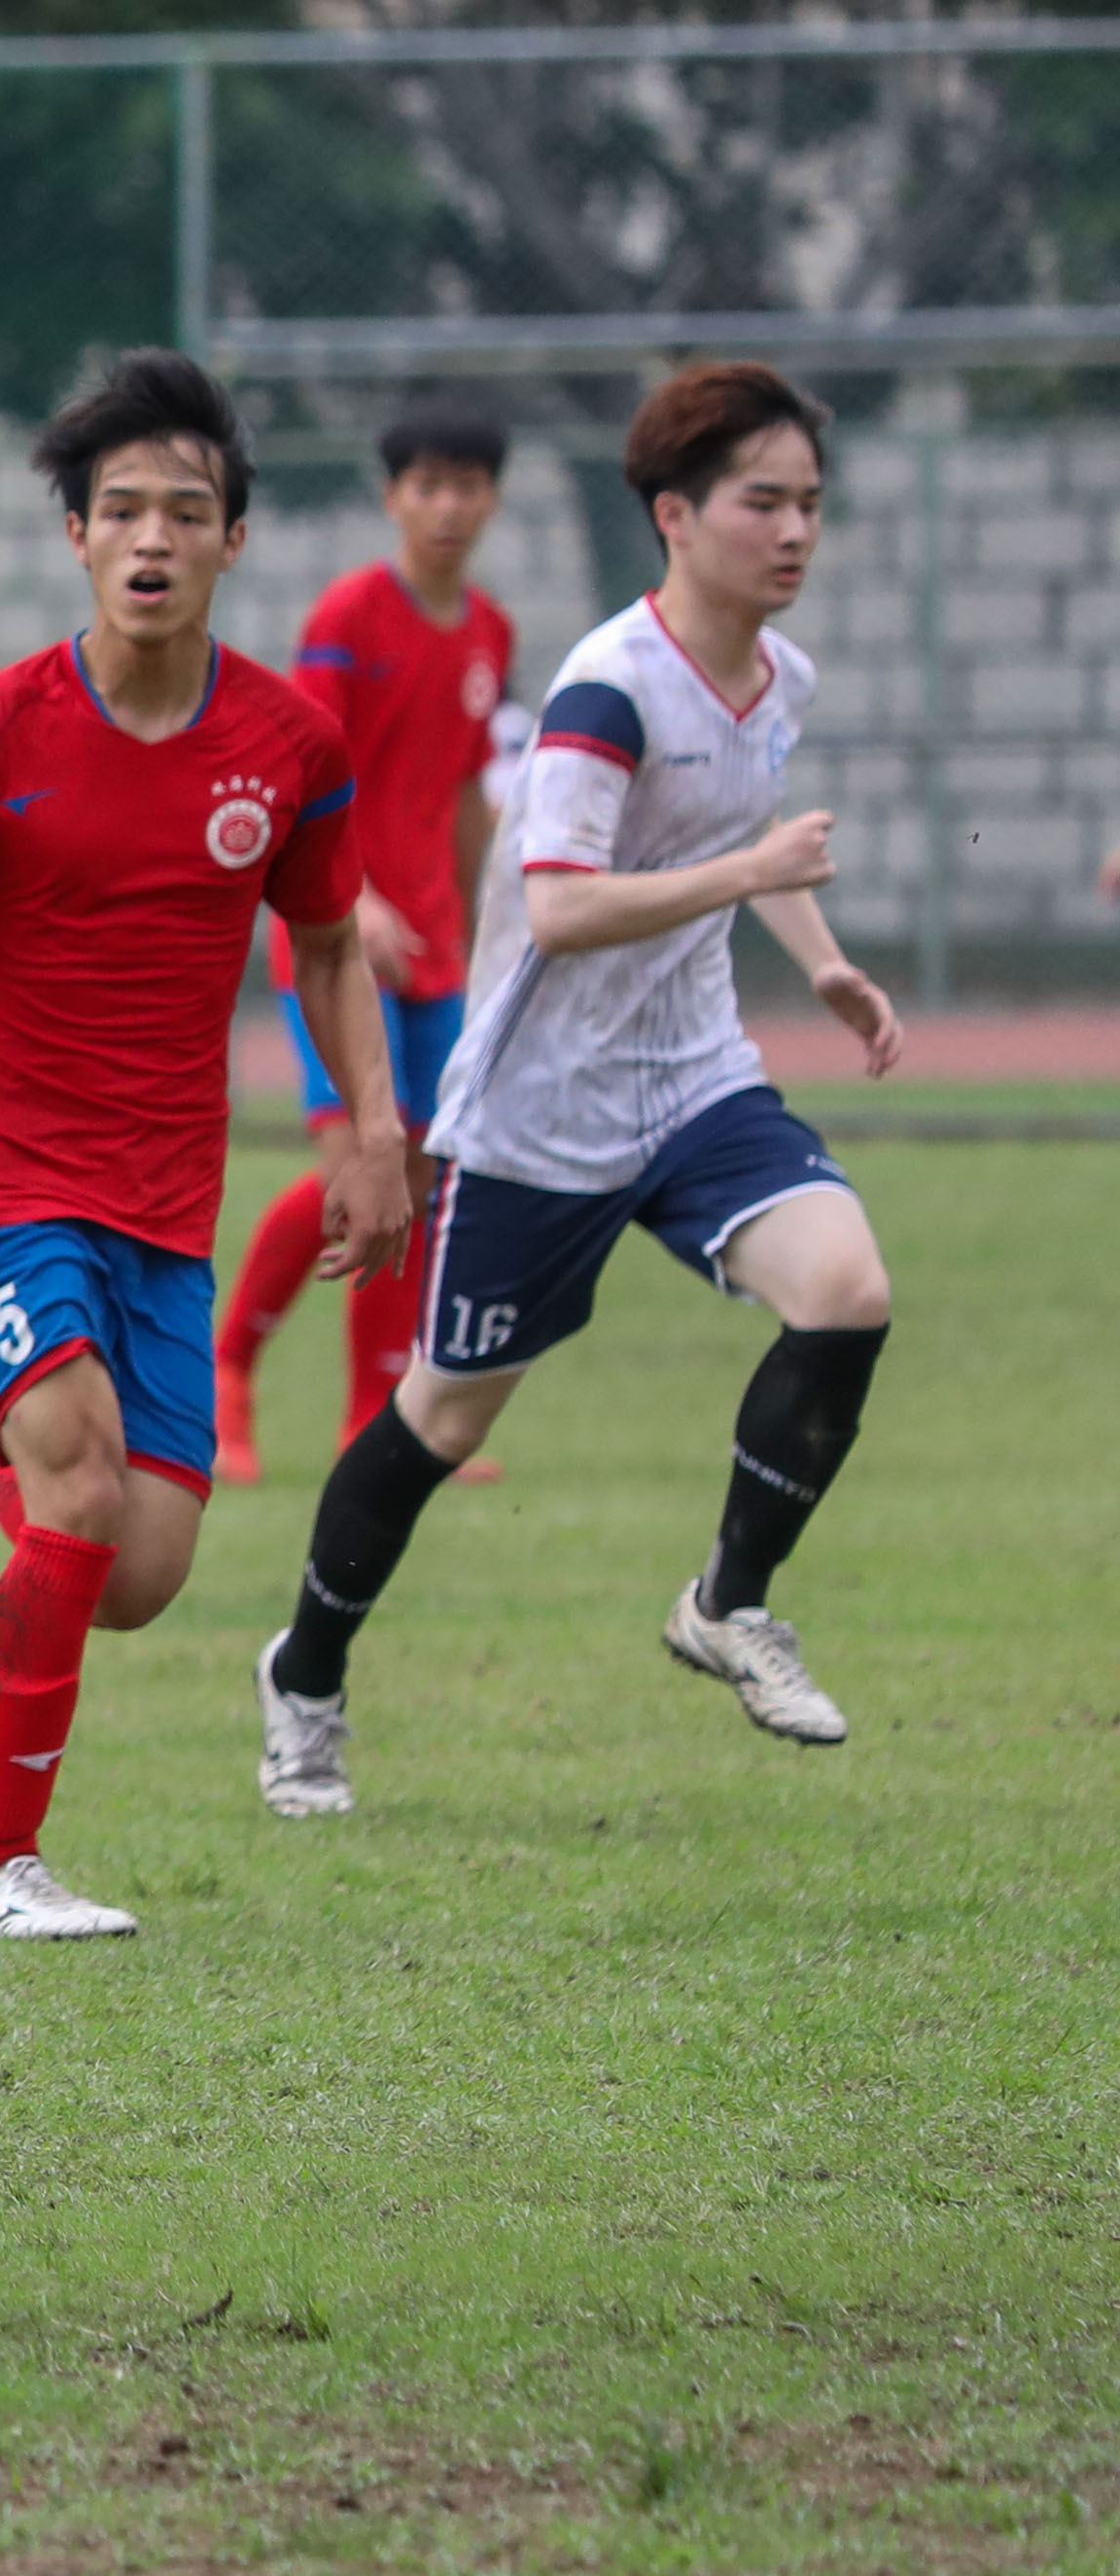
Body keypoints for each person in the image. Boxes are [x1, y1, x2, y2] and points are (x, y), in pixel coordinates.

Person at [0, 351, 411, 1935]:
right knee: (73, 1487)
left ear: (231, 540)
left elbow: (326, 946)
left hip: (161, 1186)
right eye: (121, 508)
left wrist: (371, 1127)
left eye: (185, 511)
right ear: (73, 533)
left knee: (135, 1574)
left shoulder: (287, 744)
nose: (152, 536)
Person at [251, 363, 904, 1811]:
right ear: (673, 515)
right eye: (761, 502)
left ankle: (726, 1603)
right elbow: (557, 905)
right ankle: (303, 1672)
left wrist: (822, 961)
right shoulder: (607, 688)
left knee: (845, 1290)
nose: (794, 530)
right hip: (543, 1111)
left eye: (808, 502)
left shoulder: (776, 677)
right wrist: (748, 874)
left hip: (694, 1080)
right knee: (442, 1419)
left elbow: (743, 845)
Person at [215, 399, 518, 1486]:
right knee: (357, 1169)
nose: (446, 506)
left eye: (466, 485)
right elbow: (302, 771)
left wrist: (482, 930)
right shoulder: (348, 615)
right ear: (391, 497)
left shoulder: (489, 632)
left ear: (491, 499)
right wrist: (354, 901)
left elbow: (468, 792)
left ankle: (375, 1423)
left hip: (434, 950)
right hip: (335, 939)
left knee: (420, 1176)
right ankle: (226, 1368)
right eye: (425, 485)